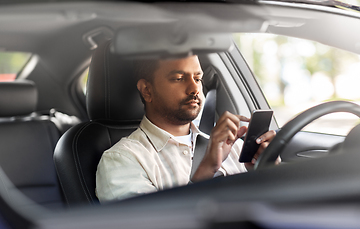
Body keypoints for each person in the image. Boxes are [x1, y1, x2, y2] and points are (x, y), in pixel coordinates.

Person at [96, 55, 277, 202]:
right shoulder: (123, 160)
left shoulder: (233, 144)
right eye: (178, 79)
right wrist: (205, 172)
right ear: (146, 90)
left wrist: (268, 175)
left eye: (198, 78)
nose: (194, 88)